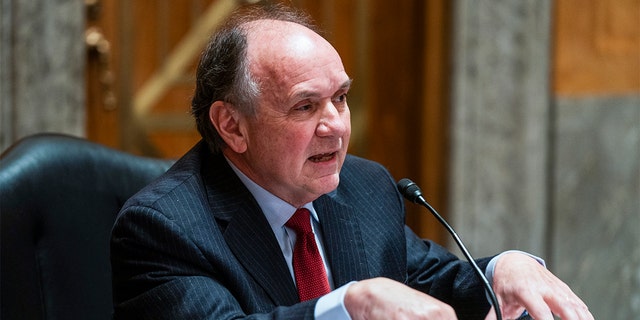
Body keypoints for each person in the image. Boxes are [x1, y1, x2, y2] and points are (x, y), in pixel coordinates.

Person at [110, 4, 592, 320]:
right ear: (232, 126)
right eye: (305, 106)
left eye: (340, 99)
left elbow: (432, 282)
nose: (337, 126)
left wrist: (503, 269)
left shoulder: (363, 186)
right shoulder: (163, 228)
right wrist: (347, 307)